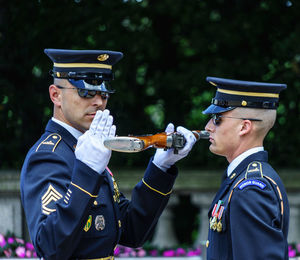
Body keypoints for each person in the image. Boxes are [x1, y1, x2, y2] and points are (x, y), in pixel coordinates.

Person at [20, 48, 197, 260]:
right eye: (85, 92)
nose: (98, 102)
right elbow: (49, 247)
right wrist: (86, 173)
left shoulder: (88, 149)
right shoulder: (49, 156)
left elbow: (132, 231)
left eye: (103, 93)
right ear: (55, 95)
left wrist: (160, 169)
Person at [202, 76, 289, 259]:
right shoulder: (240, 178)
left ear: (244, 127)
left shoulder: (251, 189)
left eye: (217, 119)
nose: (208, 126)